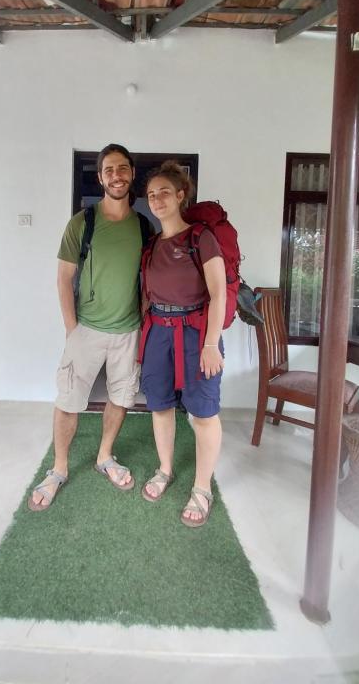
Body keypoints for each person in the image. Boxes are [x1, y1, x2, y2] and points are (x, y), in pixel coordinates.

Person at [28, 143, 149, 511]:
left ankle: (105, 457)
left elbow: (149, 278)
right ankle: (59, 468)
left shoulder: (144, 225)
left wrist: (142, 319)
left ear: (131, 174)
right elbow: (64, 278)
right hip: (87, 331)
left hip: (128, 332)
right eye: (109, 169)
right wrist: (72, 329)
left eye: (123, 168)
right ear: (100, 177)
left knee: (121, 397)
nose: (117, 175)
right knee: (68, 401)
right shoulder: (82, 223)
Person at [138, 161, 226, 527]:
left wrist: (211, 344)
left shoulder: (201, 237)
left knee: (203, 412)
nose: (156, 200)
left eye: (164, 192)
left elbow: (219, 293)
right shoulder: (152, 244)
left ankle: (202, 488)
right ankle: (165, 469)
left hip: (196, 332)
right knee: (159, 406)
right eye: (151, 195)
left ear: (180, 195)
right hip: (158, 330)